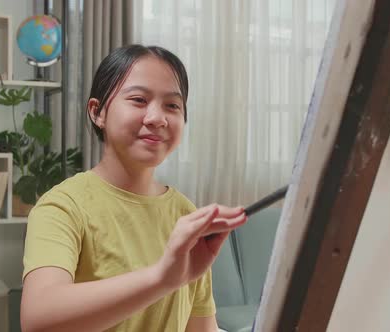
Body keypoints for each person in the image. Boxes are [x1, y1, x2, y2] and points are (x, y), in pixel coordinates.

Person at [20, 44, 247, 332]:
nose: (157, 118)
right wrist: (162, 278)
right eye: (139, 100)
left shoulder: (185, 213)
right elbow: (38, 319)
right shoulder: (63, 207)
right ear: (97, 112)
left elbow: (201, 329)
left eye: (172, 105)